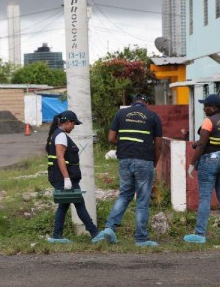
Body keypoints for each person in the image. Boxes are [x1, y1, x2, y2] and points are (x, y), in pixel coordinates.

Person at [97, 94, 163, 247]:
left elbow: (111, 138)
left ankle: (109, 228)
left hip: (125, 160)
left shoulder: (121, 114)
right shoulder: (153, 116)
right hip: (144, 160)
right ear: (145, 103)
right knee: (142, 200)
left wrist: (126, 142)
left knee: (125, 194)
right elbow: (158, 144)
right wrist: (154, 162)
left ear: (133, 103)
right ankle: (141, 238)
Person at [46, 110, 116, 244]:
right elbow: (60, 158)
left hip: (63, 177)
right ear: (68, 122)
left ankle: (56, 236)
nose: (74, 127)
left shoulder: (58, 134)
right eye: (74, 124)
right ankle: (94, 233)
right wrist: (66, 179)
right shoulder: (60, 136)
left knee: (64, 205)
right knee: (79, 203)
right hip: (65, 178)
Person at [184, 94, 220, 244]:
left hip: (211, 160)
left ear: (213, 107)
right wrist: (198, 144)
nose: (204, 108)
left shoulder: (208, 121)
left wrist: (192, 164)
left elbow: (202, 145)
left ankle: (200, 234)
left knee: (205, 198)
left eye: (206, 106)